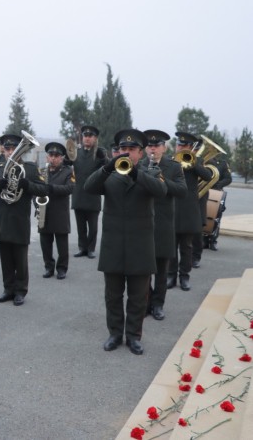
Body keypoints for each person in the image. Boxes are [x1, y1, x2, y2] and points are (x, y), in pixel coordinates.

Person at [85, 129, 167, 355]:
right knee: (112, 295)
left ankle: (133, 336)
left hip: (140, 245)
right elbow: (88, 187)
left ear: (140, 153)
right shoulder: (110, 174)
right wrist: (107, 167)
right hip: (113, 244)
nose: (126, 153)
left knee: (138, 296)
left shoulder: (152, 171)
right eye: (123, 149)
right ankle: (114, 333)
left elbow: (161, 191)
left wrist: (135, 175)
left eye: (131, 150)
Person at [0, 133, 50, 306]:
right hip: (2, 217)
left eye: (13, 149)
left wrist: (28, 185)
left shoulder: (30, 169)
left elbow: (44, 189)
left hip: (19, 218)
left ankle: (20, 290)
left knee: (20, 258)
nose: (10, 152)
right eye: (7, 149)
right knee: (5, 258)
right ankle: (8, 289)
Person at [141, 130, 187, 321]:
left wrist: (161, 179)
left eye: (157, 145)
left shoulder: (174, 167)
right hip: (142, 224)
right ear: (145, 148)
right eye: (150, 145)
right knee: (143, 270)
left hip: (164, 225)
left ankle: (158, 304)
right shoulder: (138, 165)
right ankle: (146, 302)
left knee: (161, 270)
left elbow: (182, 191)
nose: (153, 148)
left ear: (164, 147)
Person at [167, 132, 212, 291]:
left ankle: (184, 276)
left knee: (186, 247)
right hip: (172, 209)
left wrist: (193, 163)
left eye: (184, 146)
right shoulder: (170, 161)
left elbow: (208, 176)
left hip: (189, 211)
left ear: (190, 148)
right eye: (179, 145)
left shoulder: (196, 161)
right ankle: (171, 275)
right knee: (171, 247)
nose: (180, 148)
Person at [38, 142, 74, 280]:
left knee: (62, 244)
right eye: (51, 155)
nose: (53, 158)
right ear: (47, 157)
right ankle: (48, 267)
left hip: (60, 213)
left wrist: (50, 188)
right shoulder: (42, 172)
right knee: (45, 243)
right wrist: (36, 202)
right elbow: (36, 190)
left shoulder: (68, 171)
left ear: (62, 157)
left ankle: (62, 268)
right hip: (44, 212)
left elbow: (69, 189)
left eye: (56, 155)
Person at [71, 125, 107, 259]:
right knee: (80, 225)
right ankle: (82, 248)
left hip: (93, 194)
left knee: (93, 226)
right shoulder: (76, 152)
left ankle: (91, 248)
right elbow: (68, 162)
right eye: (85, 136)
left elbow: (106, 166)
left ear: (95, 138)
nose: (87, 138)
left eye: (90, 136)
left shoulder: (99, 153)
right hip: (79, 194)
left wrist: (103, 158)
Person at [202, 155, 232, 251]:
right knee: (201, 216)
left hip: (216, 193)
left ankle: (213, 241)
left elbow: (228, 179)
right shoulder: (201, 161)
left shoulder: (222, 164)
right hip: (202, 192)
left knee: (216, 217)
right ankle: (202, 240)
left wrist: (217, 185)